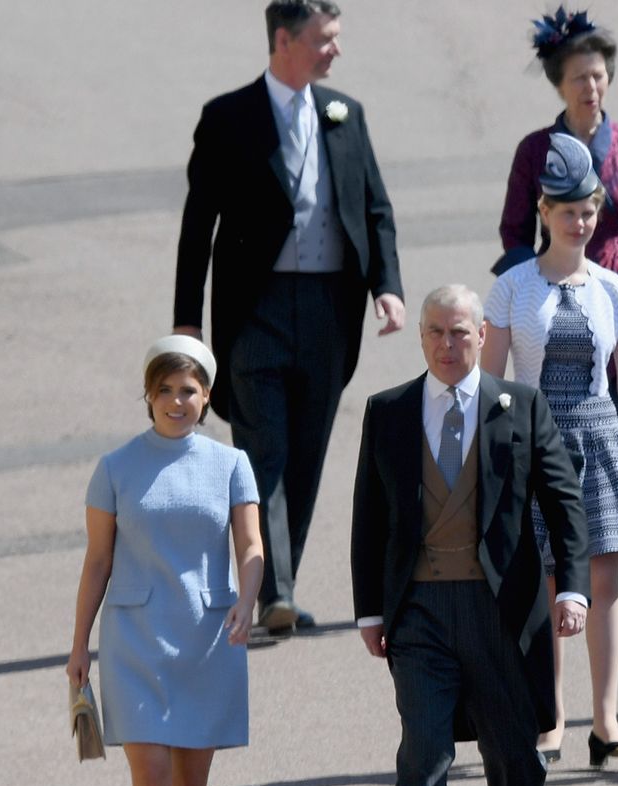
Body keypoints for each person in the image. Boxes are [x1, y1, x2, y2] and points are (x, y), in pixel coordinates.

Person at [351, 285, 590, 786]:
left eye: (460, 333)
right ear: (420, 336)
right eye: (435, 333)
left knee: (515, 755)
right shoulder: (390, 411)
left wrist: (571, 590)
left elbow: (565, 505)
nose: (447, 346)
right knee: (422, 757)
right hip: (420, 615)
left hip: (503, 614)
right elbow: (369, 518)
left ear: (482, 336)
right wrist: (370, 609)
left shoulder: (521, 407)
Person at [173, 0, 404, 634]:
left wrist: (387, 286)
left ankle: (280, 583)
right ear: (284, 40)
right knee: (263, 451)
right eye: (325, 39)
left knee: (306, 452)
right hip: (257, 311)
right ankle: (272, 590)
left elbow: (374, 208)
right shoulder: (228, 118)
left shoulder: (344, 115)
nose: (336, 50)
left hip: (331, 308)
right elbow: (199, 224)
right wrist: (187, 322)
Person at [66, 335, 263, 786]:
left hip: (207, 637)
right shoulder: (116, 467)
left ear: (206, 398)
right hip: (133, 640)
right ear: (147, 396)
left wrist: (248, 596)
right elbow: (96, 562)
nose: (176, 401)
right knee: (148, 776)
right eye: (164, 390)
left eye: (188, 390)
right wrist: (78, 651)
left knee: (190, 783)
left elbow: (252, 546)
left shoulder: (231, 463)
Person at [484, 133, 618, 767]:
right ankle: (550, 715)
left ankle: (605, 719)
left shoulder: (614, 289)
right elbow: (493, 387)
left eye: (588, 210)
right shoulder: (512, 287)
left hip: (601, 441)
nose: (579, 222)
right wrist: (493, 466)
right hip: (534, 444)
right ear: (543, 214)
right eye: (566, 211)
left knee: (605, 582)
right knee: (550, 582)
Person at [497, 6, 618, 364]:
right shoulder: (535, 150)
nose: (591, 87)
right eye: (579, 78)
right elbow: (515, 232)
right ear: (559, 85)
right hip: (554, 290)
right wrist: (522, 293)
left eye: (598, 76)